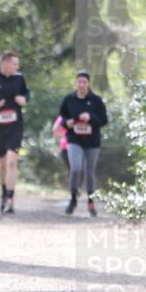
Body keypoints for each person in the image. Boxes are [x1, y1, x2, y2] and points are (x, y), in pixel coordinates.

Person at [59, 71, 108, 216]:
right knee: (75, 169)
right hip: (74, 139)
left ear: (88, 84)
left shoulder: (96, 100)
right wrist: (66, 122)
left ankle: (91, 201)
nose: (81, 84)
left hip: (92, 141)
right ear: (76, 83)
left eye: (84, 82)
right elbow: (62, 116)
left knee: (89, 173)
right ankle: (73, 198)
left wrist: (91, 117)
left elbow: (104, 120)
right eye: (79, 82)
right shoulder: (69, 99)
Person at [0, 51, 30, 214]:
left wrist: (24, 99)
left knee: (12, 161)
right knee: (1, 164)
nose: (17, 66)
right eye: (15, 63)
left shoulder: (19, 78)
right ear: (5, 63)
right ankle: (4, 192)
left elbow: (26, 93)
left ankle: (10, 198)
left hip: (15, 126)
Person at [52, 114, 70, 183]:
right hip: (65, 147)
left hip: (80, 147)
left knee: (79, 168)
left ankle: (76, 187)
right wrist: (65, 135)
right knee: (72, 168)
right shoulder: (63, 117)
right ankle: (72, 187)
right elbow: (54, 131)